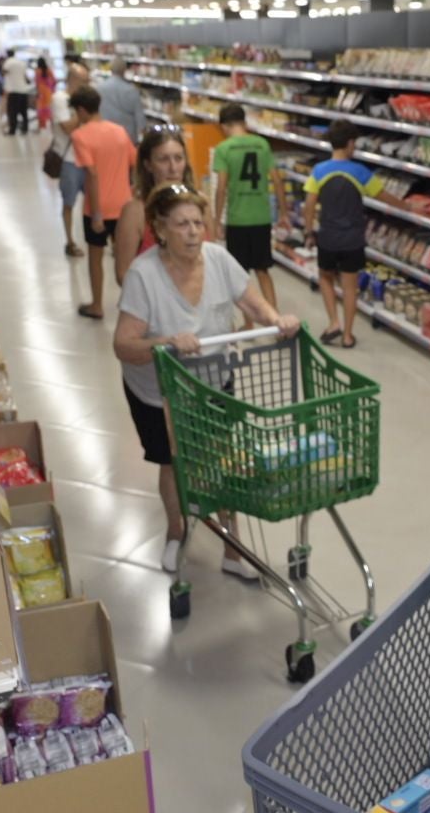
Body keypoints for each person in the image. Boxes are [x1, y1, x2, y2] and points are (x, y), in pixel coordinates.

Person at [112, 184, 301, 576]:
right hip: (158, 390)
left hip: (213, 381)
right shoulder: (143, 275)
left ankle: (233, 550)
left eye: (198, 222)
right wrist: (167, 343)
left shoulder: (218, 259)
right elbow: (123, 344)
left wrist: (276, 319)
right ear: (160, 229)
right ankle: (176, 531)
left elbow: (251, 302)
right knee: (171, 462)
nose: (193, 231)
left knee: (222, 459)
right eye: (182, 224)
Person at [302, 121, 399, 348]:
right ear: (349, 143)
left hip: (328, 236)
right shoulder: (360, 171)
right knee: (349, 287)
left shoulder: (319, 170)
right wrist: (408, 207)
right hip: (353, 238)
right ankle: (347, 336)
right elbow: (383, 196)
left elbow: (309, 204)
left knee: (325, 277)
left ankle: (333, 322)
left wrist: (308, 231)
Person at [68, 85, 137, 319]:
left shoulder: (80, 136)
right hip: (124, 206)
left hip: (97, 209)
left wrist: (97, 213)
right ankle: (134, 306)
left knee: (95, 258)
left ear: (81, 110)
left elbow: (92, 174)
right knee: (126, 260)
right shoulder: (119, 131)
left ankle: (97, 305)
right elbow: (134, 162)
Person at [212, 103, 287, 309]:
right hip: (261, 217)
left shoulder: (223, 149)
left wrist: (217, 221)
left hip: (238, 219)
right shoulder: (262, 144)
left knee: (239, 275)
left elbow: (221, 188)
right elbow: (277, 180)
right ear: (244, 122)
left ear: (224, 126)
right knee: (263, 270)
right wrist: (284, 213)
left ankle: (249, 322)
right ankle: (275, 318)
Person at [112, 126, 198, 282]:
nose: (173, 168)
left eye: (178, 158)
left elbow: (210, 261)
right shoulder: (135, 212)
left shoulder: (200, 205)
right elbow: (123, 274)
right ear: (148, 165)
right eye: (163, 159)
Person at [50, 62, 91, 258]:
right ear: (73, 80)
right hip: (69, 160)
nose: (87, 85)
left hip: (88, 158)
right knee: (69, 202)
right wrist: (82, 111)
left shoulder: (84, 100)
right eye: (84, 81)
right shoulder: (60, 99)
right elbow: (67, 127)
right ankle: (70, 242)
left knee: (94, 201)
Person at [93, 55, 144, 145]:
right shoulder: (132, 90)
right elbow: (140, 117)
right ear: (124, 70)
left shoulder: (99, 88)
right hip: (127, 137)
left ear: (111, 69)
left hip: (106, 136)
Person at [0, 48, 33, 136]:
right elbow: (26, 77)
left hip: (13, 90)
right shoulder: (21, 62)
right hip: (23, 90)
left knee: (12, 112)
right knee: (24, 111)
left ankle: (12, 130)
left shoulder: (8, 62)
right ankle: (25, 129)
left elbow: (3, 73)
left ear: (7, 55)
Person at [35, 56, 55, 132]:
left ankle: (41, 126)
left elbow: (36, 82)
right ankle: (52, 125)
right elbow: (54, 80)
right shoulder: (48, 70)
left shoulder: (37, 71)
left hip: (41, 92)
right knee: (49, 108)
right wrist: (52, 89)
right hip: (48, 91)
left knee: (40, 109)